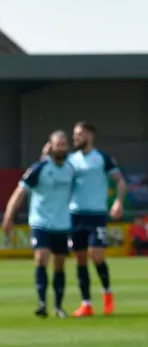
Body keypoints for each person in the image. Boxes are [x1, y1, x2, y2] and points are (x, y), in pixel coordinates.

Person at [3, 130, 74, 318]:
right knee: (42, 258)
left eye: (64, 143)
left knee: (59, 265)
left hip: (62, 224)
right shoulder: (39, 168)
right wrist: (9, 216)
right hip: (40, 222)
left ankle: (58, 307)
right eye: (58, 144)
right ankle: (42, 303)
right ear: (51, 146)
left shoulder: (71, 168)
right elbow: (20, 191)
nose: (62, 147)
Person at [67, 121, 127, 317]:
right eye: (74, 134)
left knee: (96, 254)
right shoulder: (70, 160)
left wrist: (118, 202)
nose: (75, 137)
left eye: (79, 134)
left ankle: (107, 294)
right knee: (80, 258)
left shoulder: (102, 158)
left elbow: (120, 181)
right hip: (75, 215)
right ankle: (86, 304)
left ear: (90, 136)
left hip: (96, 214)